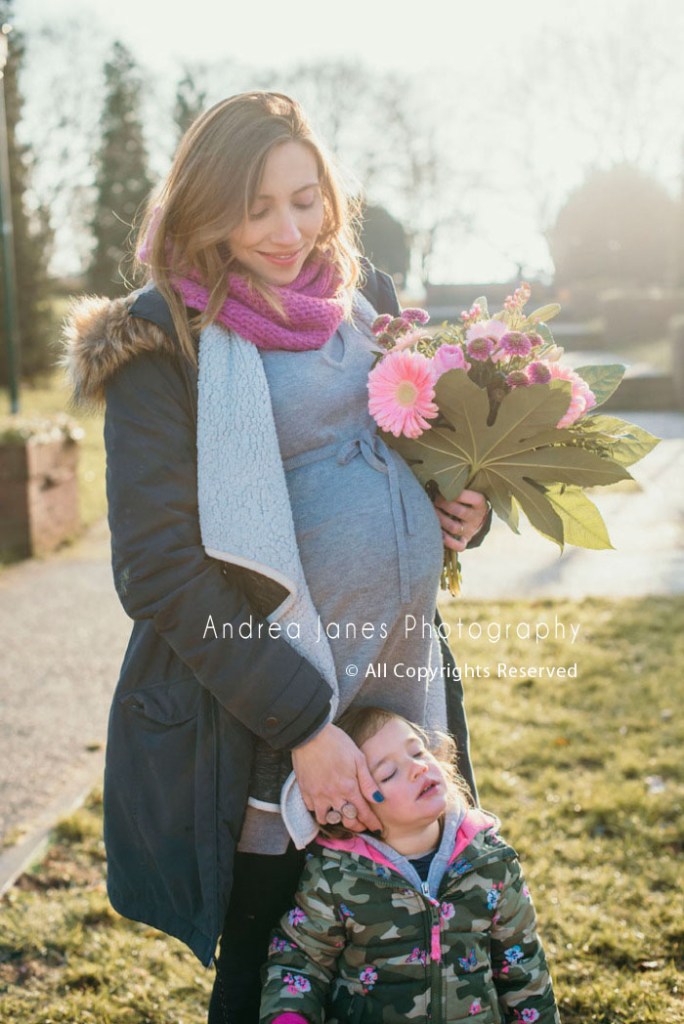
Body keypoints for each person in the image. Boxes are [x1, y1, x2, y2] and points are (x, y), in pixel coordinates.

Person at [62, 91, 491, 1023]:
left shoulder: (362, 300)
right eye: (255, 208)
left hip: (399, 693)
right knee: (273, 970)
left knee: (410, 952)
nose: (289, 230)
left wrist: (459, 506)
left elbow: (403, 445)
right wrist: (303, 728)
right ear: (202, 207)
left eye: (306, 199)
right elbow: (157, 567)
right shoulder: (161, 342)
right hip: (265, 725)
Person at [260, 706, 560, 1024]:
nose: (417, 768)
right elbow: (300, 960)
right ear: (351, 806)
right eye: (388, 773)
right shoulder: (336, 878)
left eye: (417, 751)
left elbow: (524, 966)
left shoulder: (491, 863)